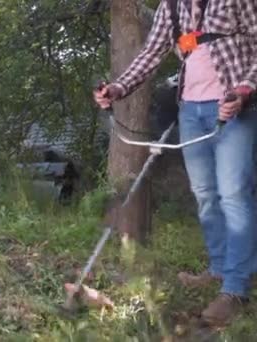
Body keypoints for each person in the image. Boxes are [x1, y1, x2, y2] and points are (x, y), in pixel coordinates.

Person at [93, 0, 257, 326]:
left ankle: (236, 289)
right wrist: (118, 88)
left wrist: (244, 90)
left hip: (232, 107)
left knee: (234, 194)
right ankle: (219, 269)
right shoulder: (173, 6)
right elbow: (151, 53)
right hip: (191, 111)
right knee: (206, 194)